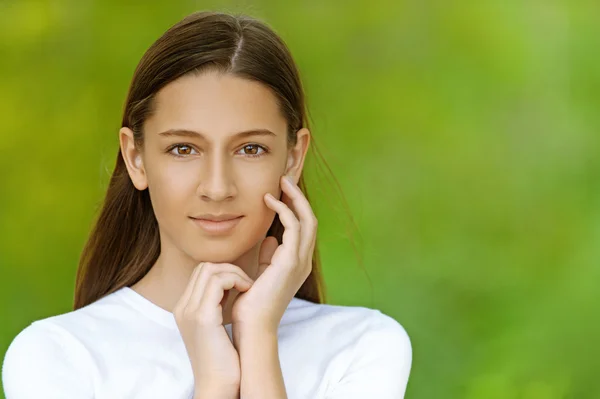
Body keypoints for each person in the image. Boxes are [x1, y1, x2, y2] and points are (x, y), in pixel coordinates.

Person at [1, 10, 412, 399]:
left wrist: (258, 338)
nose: (217, 188)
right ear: (135, 158)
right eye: (183, 149)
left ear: (293, 158)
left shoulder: (363, 347)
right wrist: (214, 384)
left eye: (250, 149)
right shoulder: (57, 356)